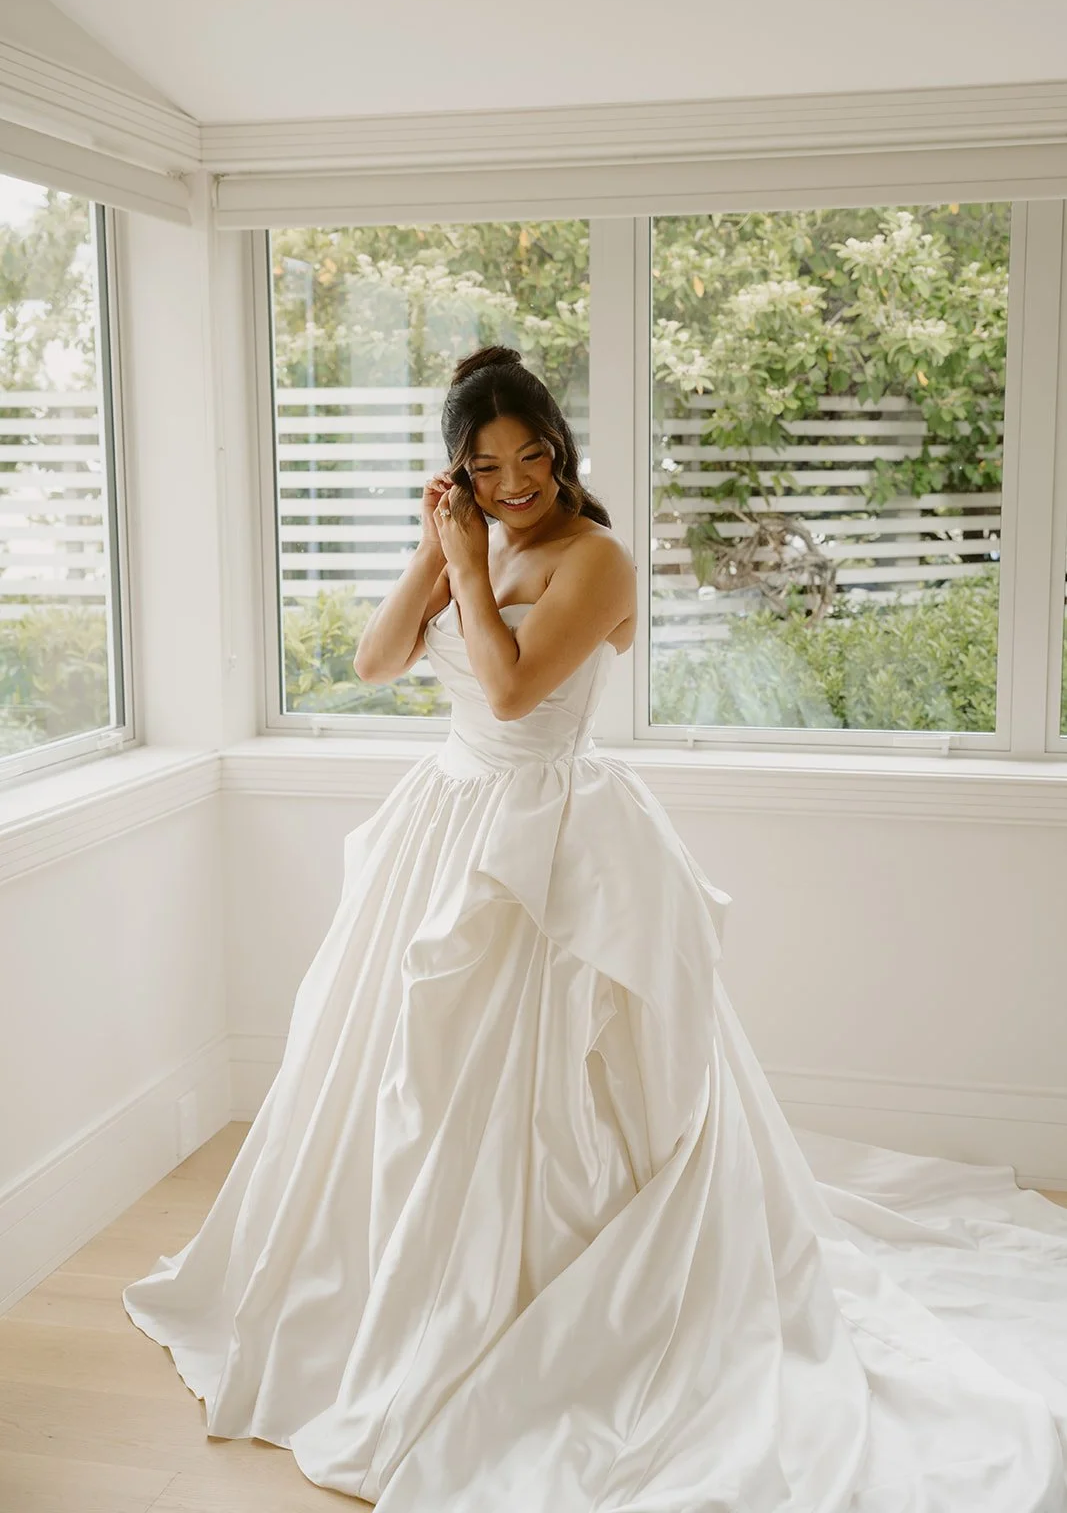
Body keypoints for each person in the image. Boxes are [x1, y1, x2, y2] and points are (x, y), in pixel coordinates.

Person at [123, 346, 1067, 1512]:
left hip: (545, 844)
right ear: (457, 470)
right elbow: (373, 660)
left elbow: (514, 693)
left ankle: (561, 1309)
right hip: (445, 824)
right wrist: (437, 550)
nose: (514, 480)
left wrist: (466, 569)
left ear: (558, 448)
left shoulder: (597, 556)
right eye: (485, 465)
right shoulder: (473, 538)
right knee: (406, 1081)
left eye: (529, 456)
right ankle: (401, 1296)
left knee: (541, 1091)